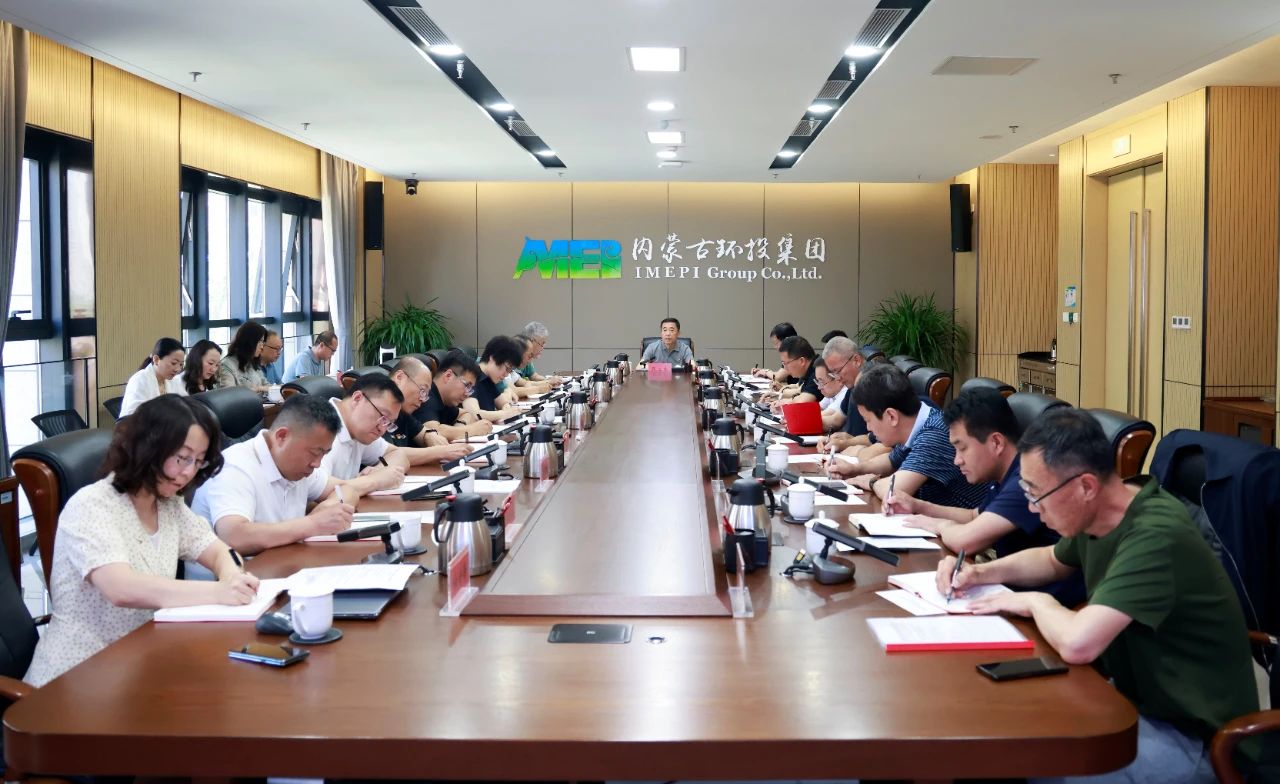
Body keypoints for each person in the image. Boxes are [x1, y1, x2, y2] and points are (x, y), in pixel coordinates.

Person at [940, 408, 1262, 783]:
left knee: (1025, 762)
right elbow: (1052, 559)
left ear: (1086, 487)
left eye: (1036, 493)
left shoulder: (1154, 535)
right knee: (999, 730)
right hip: (1127, 700)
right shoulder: (1100, 514)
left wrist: (1035, 601)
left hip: (1197, 737)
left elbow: (1079, 644)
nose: (1031, 507)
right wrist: (980, 572)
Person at [24, 396, 259, 687]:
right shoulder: (92, 506)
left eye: (198, 461)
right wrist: (220, 592)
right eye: (182, 457)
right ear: (148, 448)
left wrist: (233, 575)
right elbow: (120, 588)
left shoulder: (168, 505)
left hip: (141, 661)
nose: (189, 472)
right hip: (79, 675)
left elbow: (220, 551)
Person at [888, 389, 1082, 604]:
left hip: (1048, 603)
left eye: (962, 448)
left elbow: (966, 541)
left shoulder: (1026, 480)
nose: (957, 460)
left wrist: (940, 525)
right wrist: (919, 506)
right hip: (1017, 594)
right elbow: (975, 516)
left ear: (996, 443)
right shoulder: (1007, 472)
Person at [191, 394, 353, 559]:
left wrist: (327, 509)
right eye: (314, 452)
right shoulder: (235, 467)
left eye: (324, 454)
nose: (317, 464)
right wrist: (313, 524)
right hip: (233, 572)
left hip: (283, 563)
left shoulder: (297, 466)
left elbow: (346, 489)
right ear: (282, 436)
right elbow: (234, 537)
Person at [844, 363, 986, 509]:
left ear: (891, 416)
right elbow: (891, 461)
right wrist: (854, 469)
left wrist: (871, 482)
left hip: (969, 520)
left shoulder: (934, 433)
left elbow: (892, 491)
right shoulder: (917, 422)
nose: (868, 428)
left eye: (868, 420)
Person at [314, 373, 414, 498]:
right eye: (383, 417)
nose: (382, 429)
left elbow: (398, 455)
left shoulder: (358, 429)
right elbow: (318, 490)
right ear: (357, 398)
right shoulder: (321, 429)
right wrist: (375, 480)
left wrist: (379, 471)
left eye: (388, 423)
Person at [383, 356, 474, 463]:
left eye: (426, 394)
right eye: (422, 390)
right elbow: (387, 454)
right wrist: (441, 452)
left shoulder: (402, 412)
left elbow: (423, 433)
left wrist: (429, 435)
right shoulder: (376, 409)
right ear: (399, 377)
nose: (423, 400)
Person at [412, 348, 492, 442]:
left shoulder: (445, 399)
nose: (467, 394)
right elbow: (433, 433)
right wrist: (472, 429)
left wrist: (460, 425)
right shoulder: (425, 396)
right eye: (467, 385)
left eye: (470, 389)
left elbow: (465, 414)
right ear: (448, 376)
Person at [462, 335, 526, 424]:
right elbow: (474, 414)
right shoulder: (470, 376)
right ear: (492, 358)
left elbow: (503, 402)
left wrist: (506, 406)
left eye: (510, 371)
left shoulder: (489, 378)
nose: (506, 375)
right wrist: (504, 413)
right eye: (507, 368)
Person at [121, 337, 187, 416]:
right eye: (173, 363)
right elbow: (134, 415)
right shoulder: (140, 379)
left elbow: (185, 403)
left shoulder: (173, 380)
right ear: (156, 359)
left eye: (181, 364)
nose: (178, 369)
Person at [217, 321, 269, 393]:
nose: (262, 347)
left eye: (263, 342)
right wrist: (258, 389)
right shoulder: (226, 365)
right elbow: (229, 394)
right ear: (249, 341)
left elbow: (268, 387)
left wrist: (259, 388)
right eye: (260, 341)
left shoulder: (252, 363)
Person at [773, 335, 821, 404]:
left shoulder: (818, 370)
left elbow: (802, 401)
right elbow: (799, 390)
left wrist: (780, 401)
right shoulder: (808, 370)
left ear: (801, 361)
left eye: (786, 363)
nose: (785, 368)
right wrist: (777, 396)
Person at [517, 321, 562, 386]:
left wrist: (549, 380)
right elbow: (520, 384)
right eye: (542, 344)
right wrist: (548, 382)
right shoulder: (516, 354)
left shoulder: (527, 356)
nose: (543, 348)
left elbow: (533, 376)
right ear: (531, 341)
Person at [813, 358, 848, 433]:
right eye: (818, 382)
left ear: (837, 379)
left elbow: (826, 415)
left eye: (821, 382)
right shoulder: (832, 392)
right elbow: (815, 411)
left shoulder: (846, 393)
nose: (819, 387)